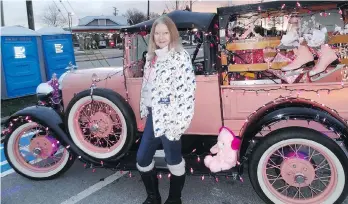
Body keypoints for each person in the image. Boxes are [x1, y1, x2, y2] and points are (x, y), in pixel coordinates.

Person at [136, 15, 196, 204]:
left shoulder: (179, 56)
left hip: (171, 118)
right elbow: (147, 87)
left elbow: (187, 93)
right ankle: (153, 197)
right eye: (157, 33)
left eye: (165, 33)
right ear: (153, 36)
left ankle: (175, 198)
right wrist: (144, 107)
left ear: (172, 34)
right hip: (154, 116)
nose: (161, 37)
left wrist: (179, 124)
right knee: (142, 159)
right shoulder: (152, 57)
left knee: (174, 160)